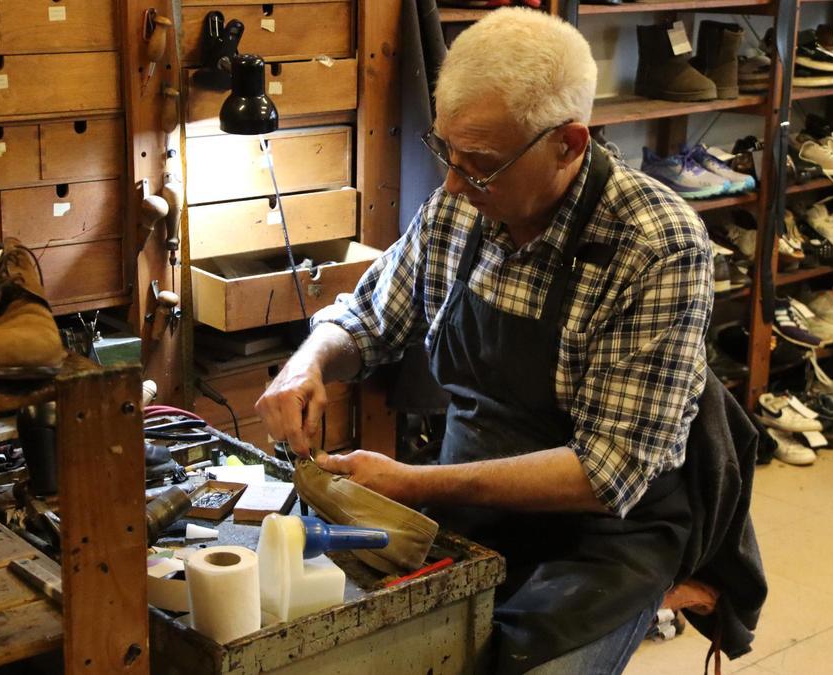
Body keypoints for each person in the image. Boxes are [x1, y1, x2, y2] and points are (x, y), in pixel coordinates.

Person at [256, 8, 713, 674]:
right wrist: (308, 362)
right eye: (447, 153)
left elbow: (607, 470)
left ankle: (648, 603)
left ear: (570, 144)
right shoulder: (462, 203)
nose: (452, 183)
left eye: (482, 165)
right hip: (465, 509)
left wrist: (413, 482)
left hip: (598, 544)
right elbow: (367, 318)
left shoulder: (655, 246)